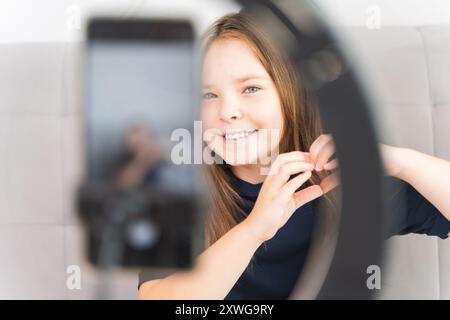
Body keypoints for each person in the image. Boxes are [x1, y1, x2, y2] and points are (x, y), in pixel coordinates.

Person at [138, 12, 450, 299]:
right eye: (208, 95)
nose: (228, 112)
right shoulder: (176, 187)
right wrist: (255, 229)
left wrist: (402, 163)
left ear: (290, 94)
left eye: (250, 89)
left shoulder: (340, 185)